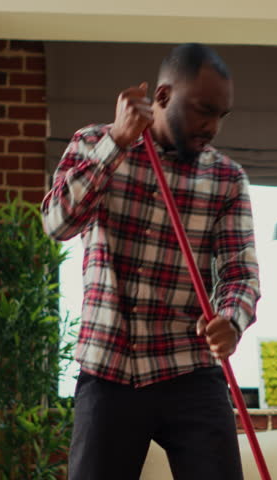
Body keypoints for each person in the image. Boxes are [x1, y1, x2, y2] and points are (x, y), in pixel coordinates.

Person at [42, 43, 260, 480]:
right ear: (162, 97)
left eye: (222, 115)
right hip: (108, 368)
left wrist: (230, 321)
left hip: (189, 370)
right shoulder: (93, 143)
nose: (212, 126)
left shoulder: (226, 178)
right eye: (203, 110)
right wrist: (117, 143)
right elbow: (57, 223)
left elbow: (241, 274)